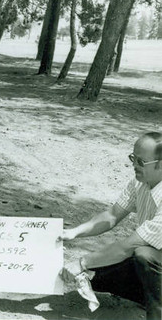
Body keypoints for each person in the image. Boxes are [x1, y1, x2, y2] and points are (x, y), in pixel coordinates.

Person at [61, 132, 162, 320]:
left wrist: (82, 262)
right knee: (93, 275)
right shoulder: (140, 183)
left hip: (153, 261)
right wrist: (74, 232)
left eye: (141, 162)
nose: (134, 165)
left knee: (143, 255)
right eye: (133, 158)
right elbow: (112, 215)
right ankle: (147, 297)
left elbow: (128, 246)